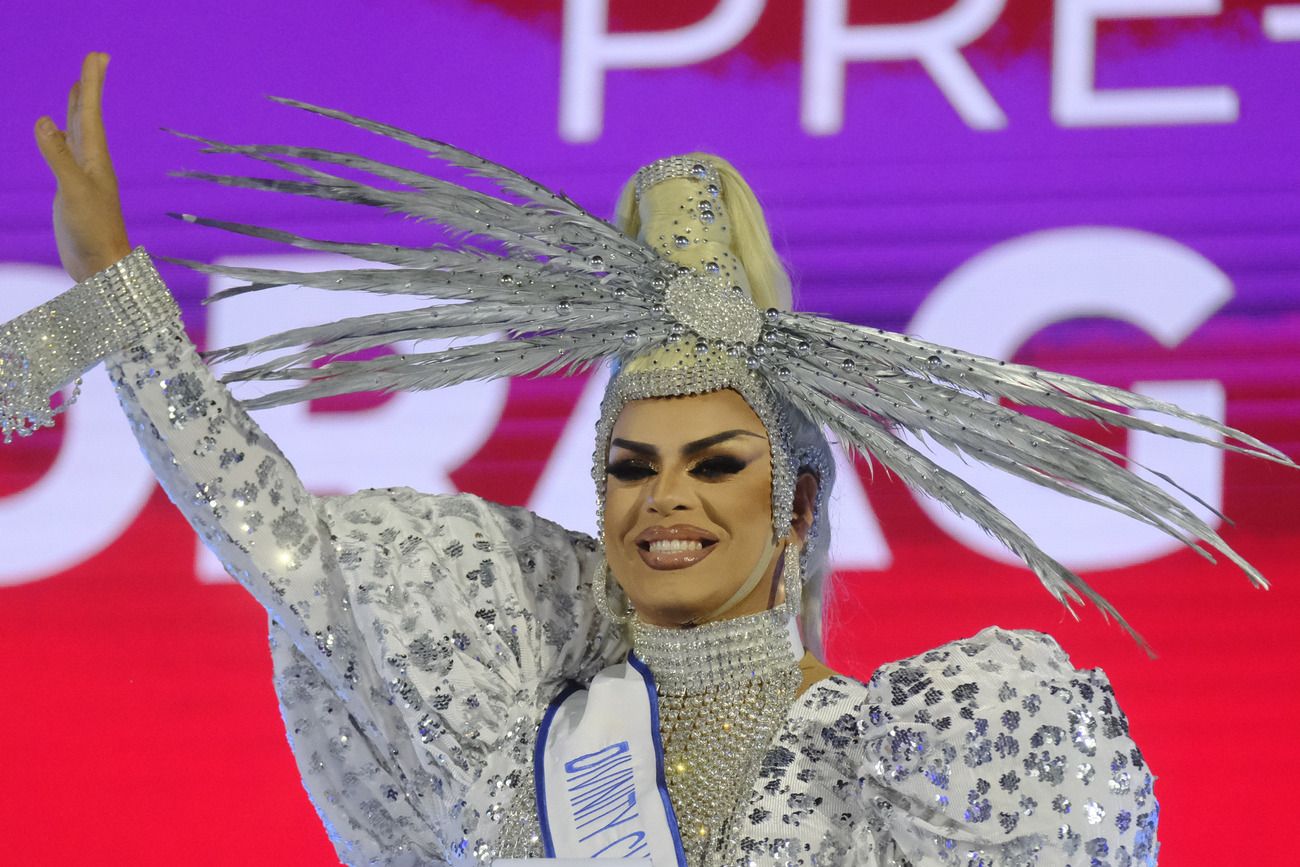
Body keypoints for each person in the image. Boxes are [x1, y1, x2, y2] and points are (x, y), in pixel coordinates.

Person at [20, 50, 1289, 866]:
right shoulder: (521, 728)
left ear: (795, 505)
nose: (664, 498)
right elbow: (276, 535)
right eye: (630, 466)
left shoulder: (911, 763)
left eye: (713, 464)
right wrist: (117, 301)